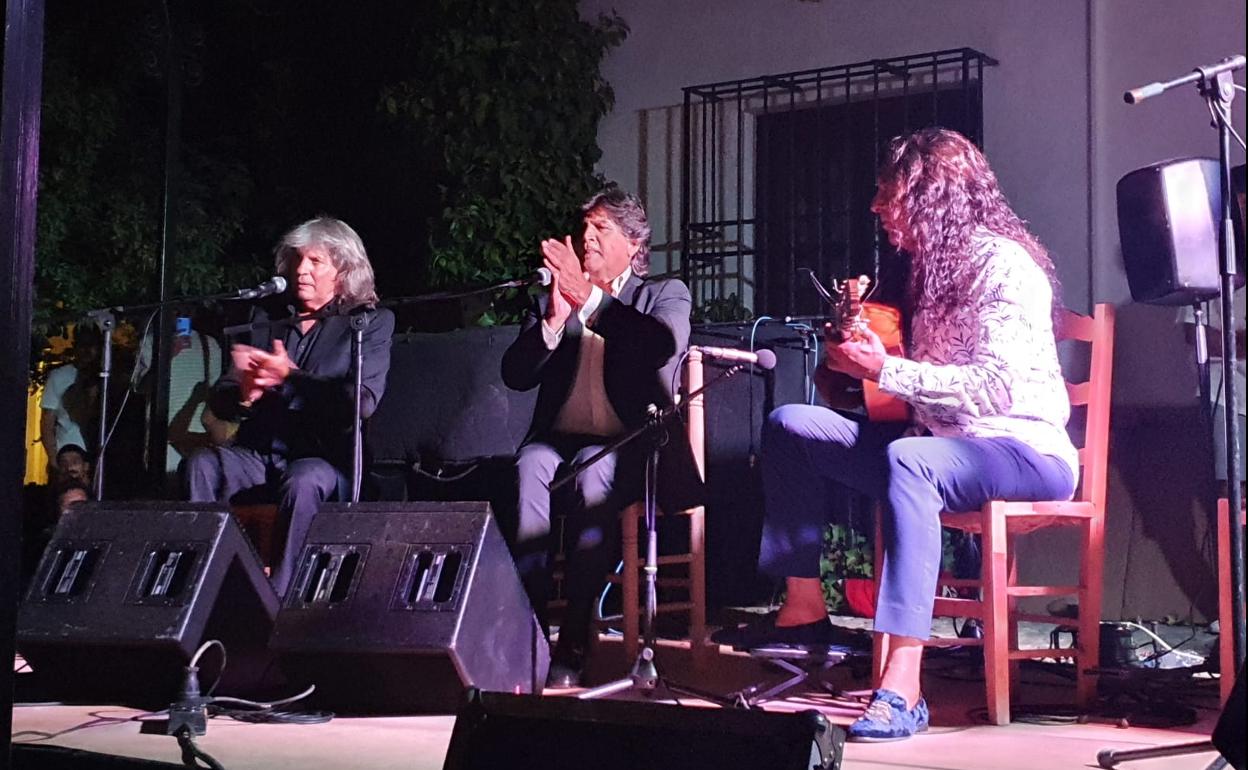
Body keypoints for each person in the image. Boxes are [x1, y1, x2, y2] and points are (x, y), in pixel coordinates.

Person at [713, 128, 1078, 741]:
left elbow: (995, 388)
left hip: (1023, 448)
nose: (877, 207)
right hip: (936, 446)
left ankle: (904, 686)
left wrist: (886, 368)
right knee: (791, 425)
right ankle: (804, 608)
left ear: (931, 195)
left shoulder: (1003, 265)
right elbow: (917, 394)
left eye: (889, 193)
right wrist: (861, 371)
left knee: (912, 460)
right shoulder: (930, 273)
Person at [501, 186, 696, 688]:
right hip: (558, 442)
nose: (586, 238)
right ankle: (529, 632)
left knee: (594, 471)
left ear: (634, 244)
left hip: (627, 447)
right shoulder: (558, 296)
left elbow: (661, 347)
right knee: (528, 468)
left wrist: (590, 300)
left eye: (600, 229)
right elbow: (515, 375)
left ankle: (574, 642)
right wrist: (552, 320)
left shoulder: (663, 294)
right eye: (584, 228)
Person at [186, 217, 394, 596]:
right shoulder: (268, 318)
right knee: (203, 464)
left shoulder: (368, 323)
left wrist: (291, 378)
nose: (302, 270)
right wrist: (244, 394)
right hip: (262, 453)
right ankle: (202, 586)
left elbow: (360, 403)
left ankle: (279, 600)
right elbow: (223, 396)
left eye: (316, 262)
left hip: (326, 458)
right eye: (298, 260)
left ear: (344, 270)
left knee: (304, 480)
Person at [39, 326, 103, 478]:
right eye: (83, 345)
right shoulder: (59, 376)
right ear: (75, 347)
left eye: (92, 345)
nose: (87, 351)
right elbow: (47, 423)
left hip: (98, 454)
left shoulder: (107, 378)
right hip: (68, 453)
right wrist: (54, 460)